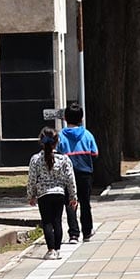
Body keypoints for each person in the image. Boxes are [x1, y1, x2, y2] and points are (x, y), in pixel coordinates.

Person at [27, 126, 78, 259]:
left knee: (47, 222)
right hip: (59, 193)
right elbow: (70, 179)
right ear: (57, 141)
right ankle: (58, 249)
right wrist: (73, 196)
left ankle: (50, 250)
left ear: (41, 141)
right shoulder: (64, 159)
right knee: (57, 221)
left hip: (43, 194)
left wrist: (31, 195)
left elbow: (32, 179)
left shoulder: (35, 159)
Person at [58, 103, 98, 243]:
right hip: (85, 173)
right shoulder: (87, 135)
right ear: (81, 118)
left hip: (66, 175)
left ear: (64, 118)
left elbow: (56, 154)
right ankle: (87, 231)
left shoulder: (60, 136)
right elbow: (95, 153)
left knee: (70, 203)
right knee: (85, 202)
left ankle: (73, 234)